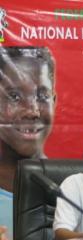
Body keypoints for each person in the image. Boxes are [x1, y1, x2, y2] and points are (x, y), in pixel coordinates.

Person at [0, 46, 56, 240]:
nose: (32, 111)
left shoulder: (69, 188)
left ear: (54, 102)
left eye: (42, 96)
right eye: (14, 96)